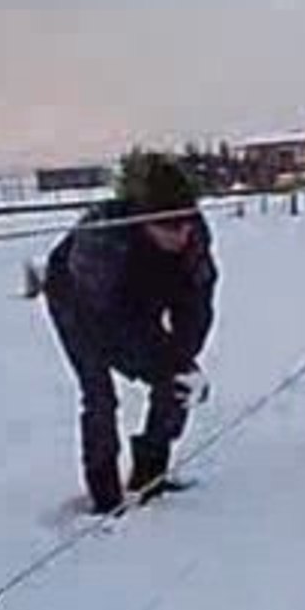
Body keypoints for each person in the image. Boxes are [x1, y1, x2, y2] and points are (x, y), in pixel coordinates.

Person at [43, 153, 218, 514]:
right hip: (78, 303)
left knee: (177, 382)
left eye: (186, 223)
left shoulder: (194, 238)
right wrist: (162, 359)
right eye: (170, 227)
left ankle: (150, 477)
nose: (181, 234)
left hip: (138, 303)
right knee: (99, 395)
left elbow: (197, 303)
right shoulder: (103, 238)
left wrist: (182, 362)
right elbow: (111, 322)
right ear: (145, 220)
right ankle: (105, 496)